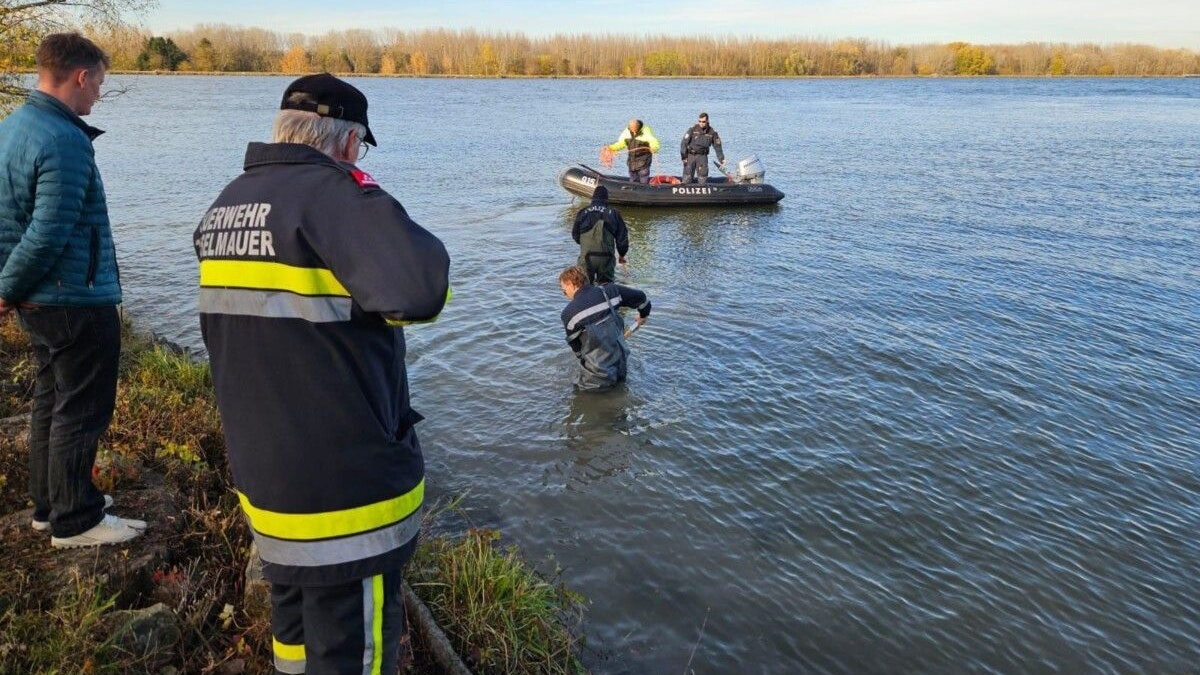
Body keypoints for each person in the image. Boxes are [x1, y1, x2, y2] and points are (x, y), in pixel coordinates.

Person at [194, 73, 450, 675]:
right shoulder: (336, 197)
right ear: (349, 141)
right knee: (352, 653)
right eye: (359, 149)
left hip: (266, 478)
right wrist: (370, 200)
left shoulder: (227, 203)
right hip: (344, 495)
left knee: (295, 633)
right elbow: (421, 290)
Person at [0, 33, 146, 548]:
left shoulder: (13, 126)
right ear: (81, 77)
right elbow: (48, 231)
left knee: (52, 399)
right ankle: (76, 520)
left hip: (41, 299)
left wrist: (12, 289)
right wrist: (6, 290)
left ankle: (50, 505)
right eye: (99, 83)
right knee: (83, 407)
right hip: (71, 298)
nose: (99, 95)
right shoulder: (65, 139)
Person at [559, 265, 650, 390]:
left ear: (571, 284)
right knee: (621, 389)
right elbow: (642, 299)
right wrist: (643, 315)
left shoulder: (569, 314)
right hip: (620, 365)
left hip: (596, 376)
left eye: (564, 291)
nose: (566, 295)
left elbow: (577, 350)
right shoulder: (610, 291)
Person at [572, 186, 629, 284]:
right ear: (606, 199)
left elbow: (575, 235)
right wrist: (622, 254)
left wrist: (586, 244)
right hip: (606, 258)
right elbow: (622, 239)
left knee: (584, 287)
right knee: (606, 287)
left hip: (586, 258)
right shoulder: (614, 213)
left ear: (593, 197)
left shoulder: (583, 212)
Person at [605, 118, 660, 184]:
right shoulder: (627, 132)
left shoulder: (646, 132)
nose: (633, 131)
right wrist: (611, 148)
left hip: (644, 162)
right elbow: (621, 144)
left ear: (639, 127)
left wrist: (654, 148)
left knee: (643, 179)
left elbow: (654, 142)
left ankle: (644, 188)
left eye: (635, 129)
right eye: (631, 128)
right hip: (632, 162)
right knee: (633, 180)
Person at [680, 112, 725, 184]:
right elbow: (684, 143)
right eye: (699, 121)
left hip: (702, 157)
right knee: (687, 178)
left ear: (707, 121)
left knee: (702, 179)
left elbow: (717, 147)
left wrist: (721, 159)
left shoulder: (712, 132)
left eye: (703, 122)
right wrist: (683, 156)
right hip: (690, 156)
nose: (701, 123)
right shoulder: (693, 129)